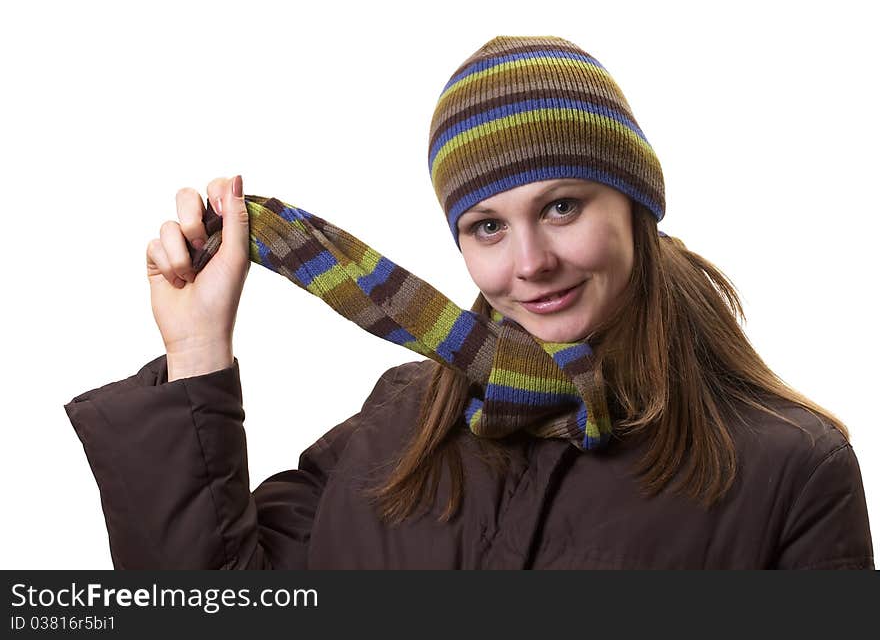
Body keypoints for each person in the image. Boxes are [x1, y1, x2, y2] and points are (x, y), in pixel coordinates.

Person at [64, 35, 873, 569]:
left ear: (635, 204)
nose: (531, 263)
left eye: (562, 207)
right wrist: (197, 349)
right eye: (487, 226)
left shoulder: (791, 467)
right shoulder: (396, 427)